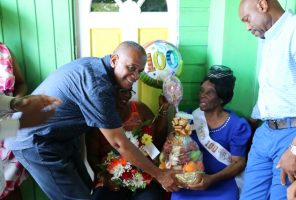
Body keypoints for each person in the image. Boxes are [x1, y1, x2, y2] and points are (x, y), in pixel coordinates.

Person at [5, 41, 179, 200]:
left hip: (60, 137)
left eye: (139, 71)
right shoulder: (98, 86)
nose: (135, 76)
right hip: (35, 140)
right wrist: (159, 174)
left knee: (87, 189)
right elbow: (119, 143)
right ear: (114, 60)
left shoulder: (97, 67)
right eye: (131, 68)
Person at [238, 0, 296, 199]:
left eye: (247, 19)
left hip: (292, 135)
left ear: (262, 5)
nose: (247, 27)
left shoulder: (295, 29)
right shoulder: (270, 39)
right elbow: (274, 92)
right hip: (265, 133)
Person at [171, 65, 251, 200]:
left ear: (221, 98)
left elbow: (238, 163)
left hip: (221, 181)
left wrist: (211, 179)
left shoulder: (237, 125)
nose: (202, 95)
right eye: (202, 91)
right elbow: (175, 147)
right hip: (190, 180)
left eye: (209, 93)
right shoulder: (189, 117)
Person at [86, 88, 170, 200]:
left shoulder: (139, 109)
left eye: (129, 91)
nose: (127, 95)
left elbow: (158, 141)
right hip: (112, 180)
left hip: (144, 176)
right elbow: (92, 156)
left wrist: (163, 110)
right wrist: (104, 176)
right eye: (122, 91)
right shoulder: (98, 118)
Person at [0, 41, 28, 199]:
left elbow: (22, 84)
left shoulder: (4, 51)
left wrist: (15, 103)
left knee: (12, 189)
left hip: (10, 127)